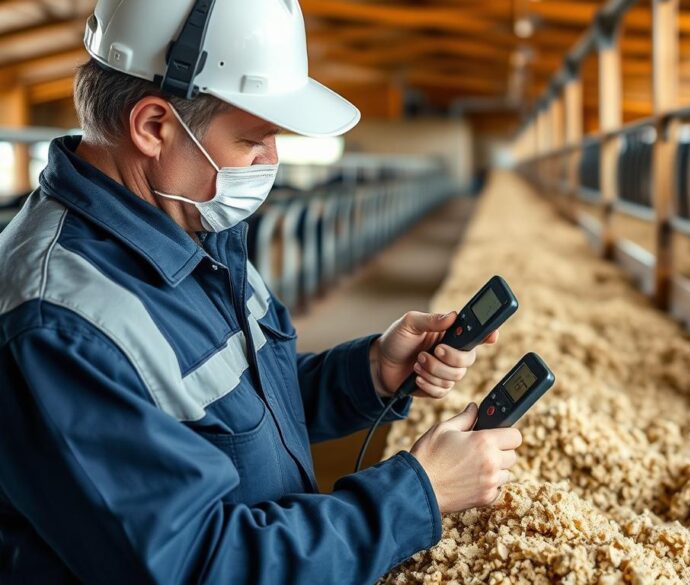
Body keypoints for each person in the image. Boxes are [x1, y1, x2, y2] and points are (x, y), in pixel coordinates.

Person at [0, 1, 521, 583]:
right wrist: (416, 493)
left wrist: (370, 371)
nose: (272, 161)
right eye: (255, 138)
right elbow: (197, 565)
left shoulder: (197, 227)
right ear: (154, 127)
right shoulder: (59, 325)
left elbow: (242, 402)